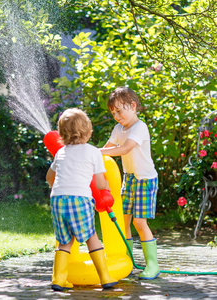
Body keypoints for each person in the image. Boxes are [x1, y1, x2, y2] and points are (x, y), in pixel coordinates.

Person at [46, 108, 118, 291]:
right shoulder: (93, 152)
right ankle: (105, 277)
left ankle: (58, 280)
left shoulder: (60, 153)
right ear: (88, 132)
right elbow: (100, 183)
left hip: (57, 200)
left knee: (65, 241)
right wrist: (106, 187)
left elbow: (49, 178)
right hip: (79, 199)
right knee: (91, 237)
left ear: (62, 134)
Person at [100, 87, 160, 280]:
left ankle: (153, 265)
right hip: (130, 178)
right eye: (113, 113)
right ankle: (127, 260)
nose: (117, 116)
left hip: (145, 179)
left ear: (133, 106)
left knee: (139, 222)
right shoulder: (118, 129)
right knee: (124, 219)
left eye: (120, 110)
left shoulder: (140, 127)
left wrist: (97, 153)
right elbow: (107, 148)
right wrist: (90, 152)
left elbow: (125, 149)